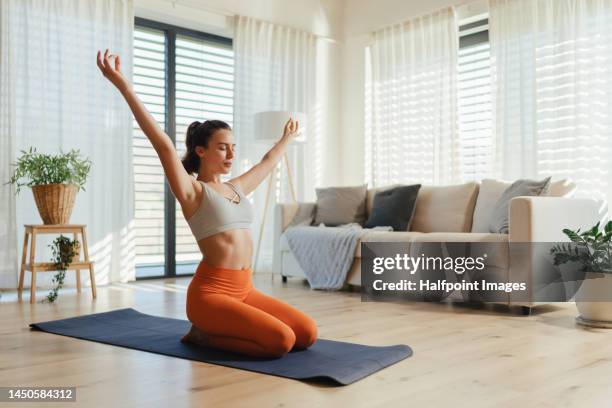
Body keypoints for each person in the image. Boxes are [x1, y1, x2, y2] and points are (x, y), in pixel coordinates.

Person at [96, 49, 317, 358]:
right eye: (222, 148)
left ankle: (216, 330)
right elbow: (163, 145)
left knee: (307, 333)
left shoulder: (236, 187)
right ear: (200, 150)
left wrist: (286, 139)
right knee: (280, 342)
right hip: (211, 295)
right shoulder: (192, 191)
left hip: (245, 289)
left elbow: (268, 162)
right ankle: (204, 335)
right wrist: (124, 86)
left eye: (233, 148)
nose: (230, 155)